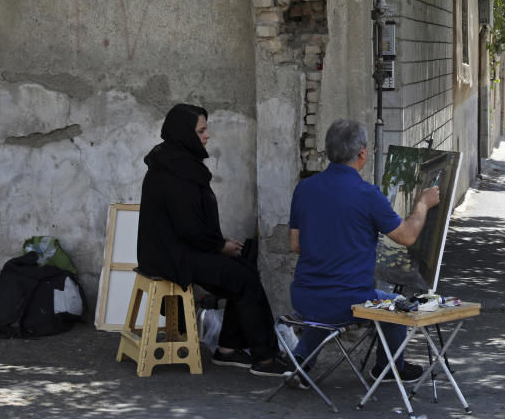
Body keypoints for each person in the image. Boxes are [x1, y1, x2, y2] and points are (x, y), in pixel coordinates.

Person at [137, 103, 292, 377]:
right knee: (243, 279)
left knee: (241, 270)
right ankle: (265, 359)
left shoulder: (173, 161)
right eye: (202, 130)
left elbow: (190, 226)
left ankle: (228, 350)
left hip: (174, 249)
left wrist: (219, 245)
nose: (207, 136)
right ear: (185, 134)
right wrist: (220, 246)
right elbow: (189, 226)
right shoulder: (177, 171)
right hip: (173, 255)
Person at [288, 119, 440, 383]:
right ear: (362, 153)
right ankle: (389, 368)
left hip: (304, 296)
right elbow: (407, 236)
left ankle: (300, 363)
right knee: (397, 306)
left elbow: (295, 244)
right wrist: (423, 204)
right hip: (348, 301)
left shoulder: (305, 188)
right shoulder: (366, 194)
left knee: (325, 304)